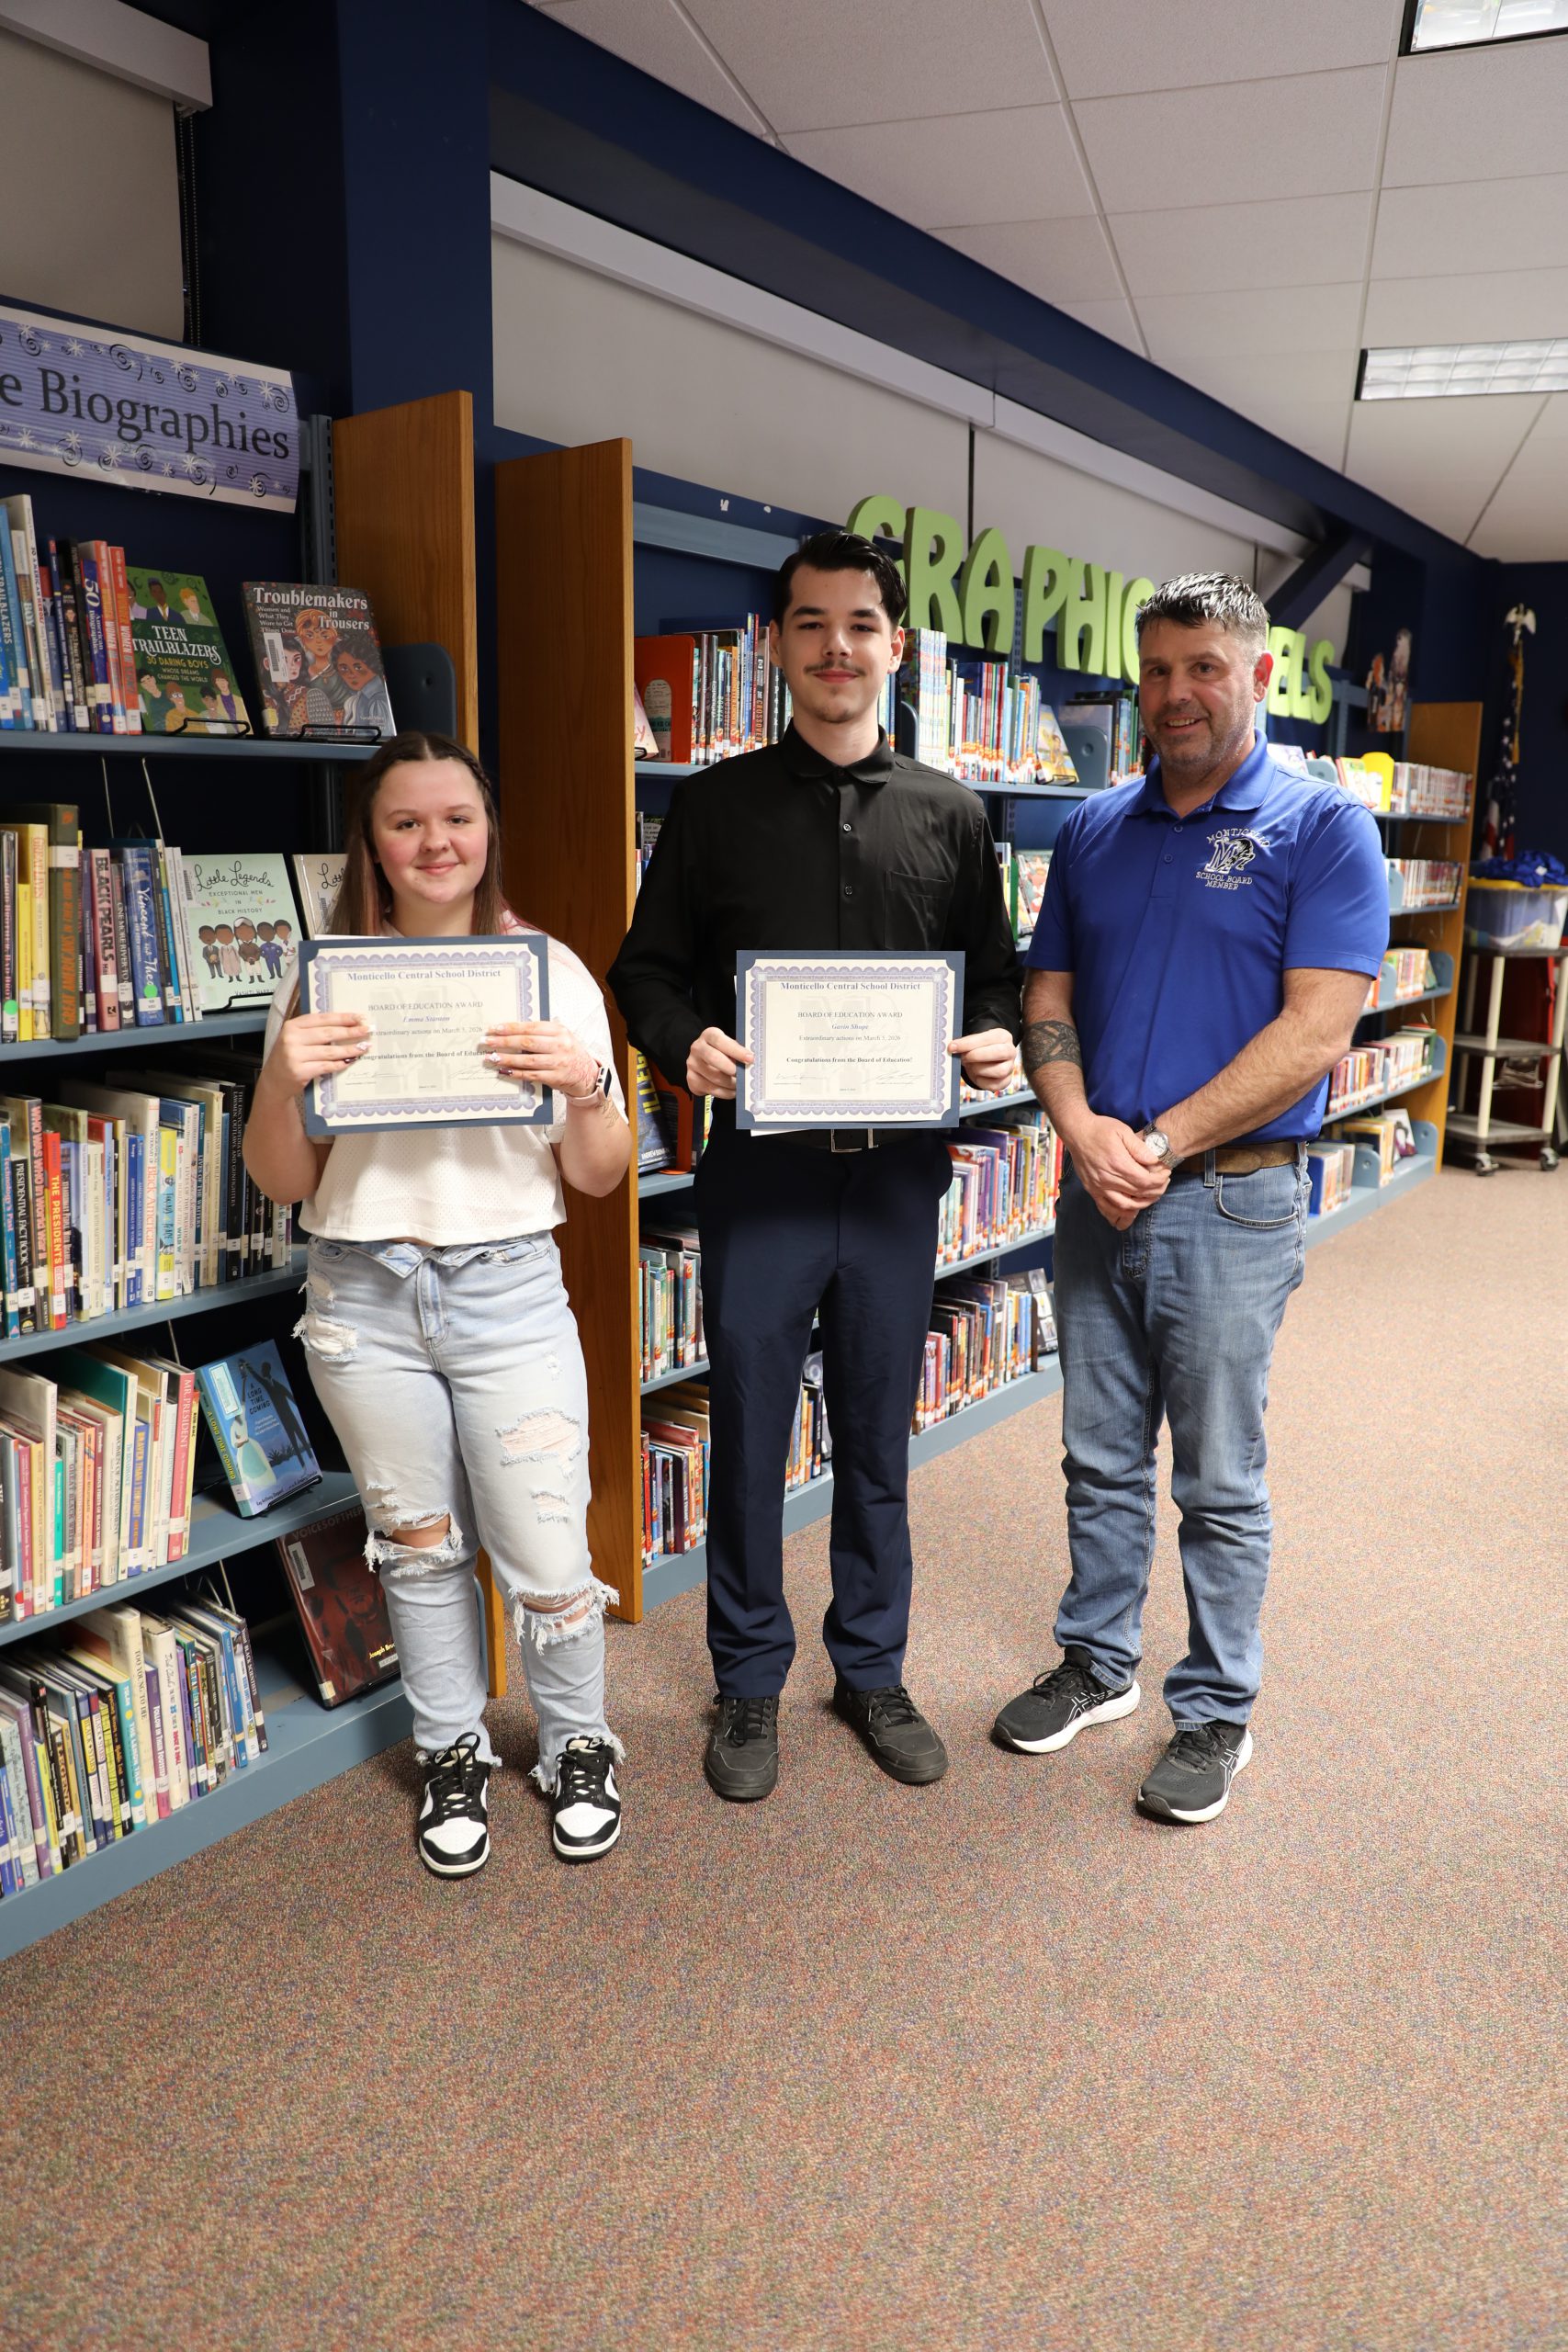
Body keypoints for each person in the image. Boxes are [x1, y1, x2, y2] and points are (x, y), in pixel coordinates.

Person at [609, 529, 1021, 1804]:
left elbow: (994, 976)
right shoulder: (716, 805)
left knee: (877, 1441)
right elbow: (644, 972)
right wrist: (690, 1047)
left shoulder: (950, 813)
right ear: (777, 644)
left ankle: (870, 1669)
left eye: (859, 624)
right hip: (763, 1183)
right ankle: (745, 1682)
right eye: (809, 624)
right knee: (746, 1435)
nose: (836, 647)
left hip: (895, 1186)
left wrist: (997, 1039)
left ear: (894, 644)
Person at [991, 574, 1388, 1825]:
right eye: (1155, 670)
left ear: (1257, 675)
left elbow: (1315, 1031)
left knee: (1216, 1478)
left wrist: (1149, 1144)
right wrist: (1075, 1128)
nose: (1173, 694)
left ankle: (1214, 1711)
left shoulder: (1322, 830)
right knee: (1095, 1453)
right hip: (1089, 1191)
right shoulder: (1093, 829)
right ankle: (1097, 1662)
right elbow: (1043, 995)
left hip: (1226, 1203)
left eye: (1201, 667)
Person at [244, 729, 632, 1875]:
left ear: (487, 830)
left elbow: (601, 1173)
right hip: (362, 1300)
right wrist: (281, 1076)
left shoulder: (551, 970)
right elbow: (283, 1179)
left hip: (508, 1288)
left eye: (455, 818)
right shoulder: (320, 978)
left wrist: (591, 1083)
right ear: (372, 839)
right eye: (405, 822)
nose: (433, 842)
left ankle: (578, 1746)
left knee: (549, 1552)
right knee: (416, 1549)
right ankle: (451, 1749)